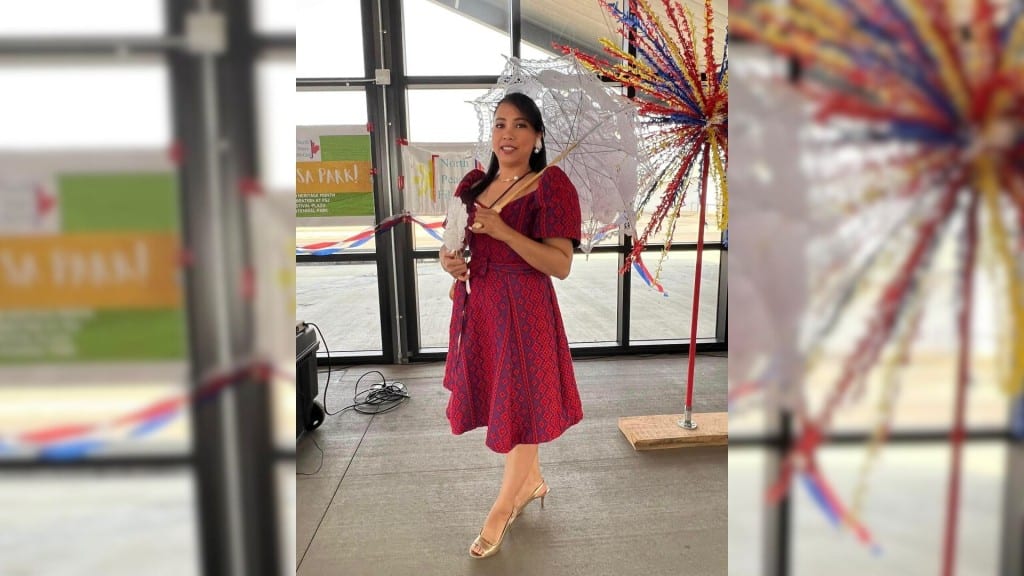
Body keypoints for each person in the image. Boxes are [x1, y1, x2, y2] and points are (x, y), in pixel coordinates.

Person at [439, 92, 584, 559]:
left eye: (521, 125)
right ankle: (531, 483)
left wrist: (503, 231)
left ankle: (502, 507)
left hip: (526, 313)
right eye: (500, 124)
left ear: (538, 136)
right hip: (482, 312)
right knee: (513, 404)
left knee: (519, 408)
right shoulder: (473, 187)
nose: (508, 133)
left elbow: (559, 265)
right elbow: (455, 248)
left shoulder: (551, 185)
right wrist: (451, 263)